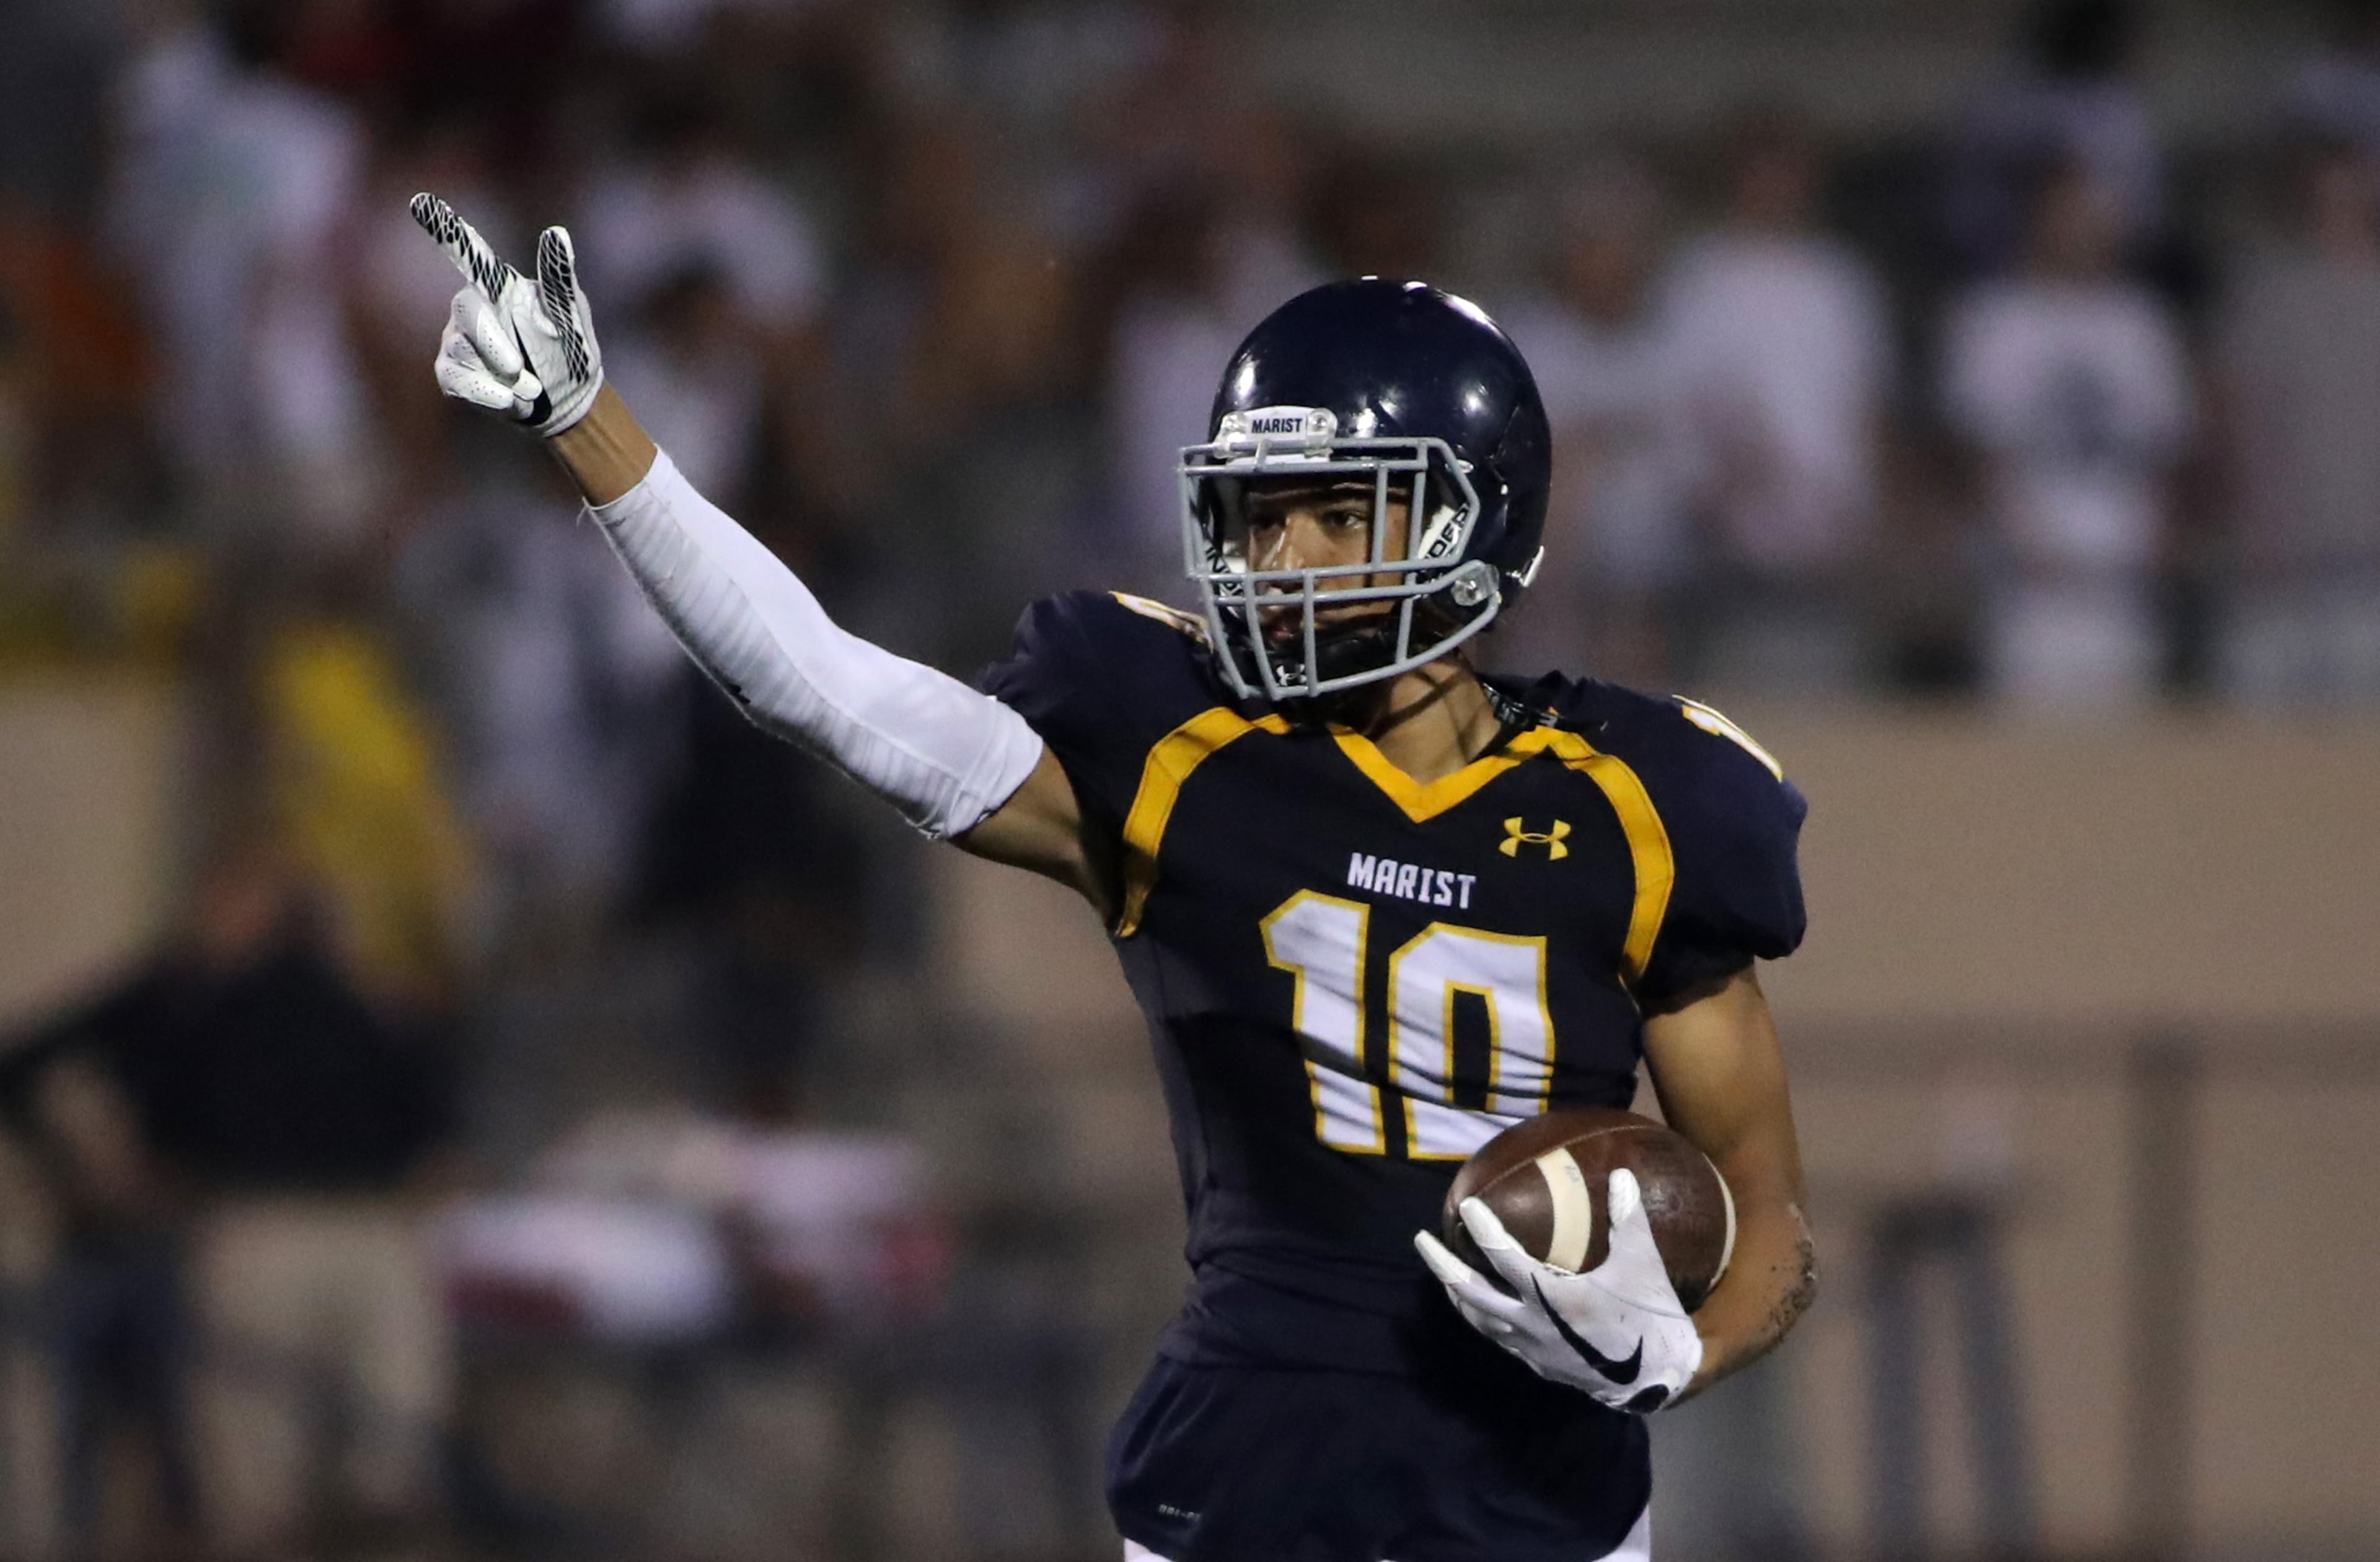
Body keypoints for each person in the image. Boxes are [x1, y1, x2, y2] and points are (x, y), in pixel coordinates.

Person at [408, 195, 1817, 1561]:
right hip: (1248, 1478)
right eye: (1259, 520)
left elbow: (1774, 1226)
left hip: (1539, 1511)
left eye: (1334, 516)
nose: (1279, 560)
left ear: (1473, 522)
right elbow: (829, 691)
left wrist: (1669, 1359)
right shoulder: (1183, 751)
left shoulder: (1638, 803)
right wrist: (591, 432)